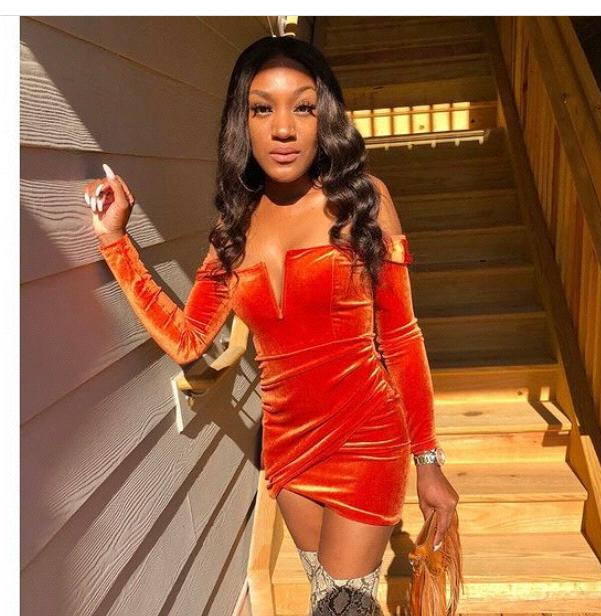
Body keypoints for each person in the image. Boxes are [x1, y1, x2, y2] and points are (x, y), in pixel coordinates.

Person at [84, 35, 459, 616]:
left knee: (343, 607)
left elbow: (402, 338)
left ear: (325, 116)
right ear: (243, 122)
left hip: (366, 437)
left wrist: (427, 461)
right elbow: (187, 339)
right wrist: (116, 242)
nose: (284, 128)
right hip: (286, 448)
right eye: (263, 109)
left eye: (303, 107)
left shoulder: (364, 202)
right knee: (324, 596)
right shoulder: (232, 230)